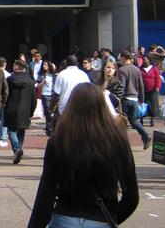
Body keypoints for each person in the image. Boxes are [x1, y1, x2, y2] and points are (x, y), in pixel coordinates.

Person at [27, 83, 139, 228]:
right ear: (103, 107)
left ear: (71, 107)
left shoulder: (59, 140)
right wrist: (112, 217)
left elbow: (46, 193)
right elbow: (131, 196)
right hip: (101, 217)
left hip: (66, 216)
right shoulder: (117, 141)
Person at [4, 58, 37, 165]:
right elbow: (34, 99)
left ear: (18, 67)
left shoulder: (10, 80)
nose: (13, 67)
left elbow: (5, 94)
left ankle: (17, 149)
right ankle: (19, 149)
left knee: (11, 130)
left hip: (11, 108)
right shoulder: (30, 82)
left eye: (14, 65)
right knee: (21, 131)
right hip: (25, 110)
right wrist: (31, 111)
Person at [118, 49, 150, 149]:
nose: (119, 60)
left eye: (120, 58)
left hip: (125, 99)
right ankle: (145, 135)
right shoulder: (137, 69)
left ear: (124, 58)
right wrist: (142, 99)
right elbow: (141, 85)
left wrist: (118, 98)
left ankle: (122, 143)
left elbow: (121, 86)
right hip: (135, 99)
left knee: (122, 122)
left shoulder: (122, 70)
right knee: (134, 121)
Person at [50, 55, 89, 120]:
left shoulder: (61, 74)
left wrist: (51, 108)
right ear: (77, 63)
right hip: (80, 107)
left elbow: (56, 94)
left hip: (64, 108)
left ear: (66, 63)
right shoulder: (84, 75)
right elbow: (88, 92)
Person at [140, 53, 162, 127]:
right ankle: (141, 120)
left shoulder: (154, 69)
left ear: (149, 60)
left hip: (152, 90)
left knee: (152, 105)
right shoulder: (140, 69)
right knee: (142, 105)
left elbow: (158, 79)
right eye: (143, 60)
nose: (144, 61)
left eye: (145, 60)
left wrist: (157, 87)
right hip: (143, 90)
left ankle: (151, 121)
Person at [38, 61, 57, 137]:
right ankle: (49, 128)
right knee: (47, 112)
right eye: (43, 64)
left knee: (51, 112)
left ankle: (50, 128)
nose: (44, 66)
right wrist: (42, 83)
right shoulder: (41, 75)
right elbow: (37, 85)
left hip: (52, 94)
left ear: (49, 66)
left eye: (45, 64)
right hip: (45, 94)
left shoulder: (53, 75)